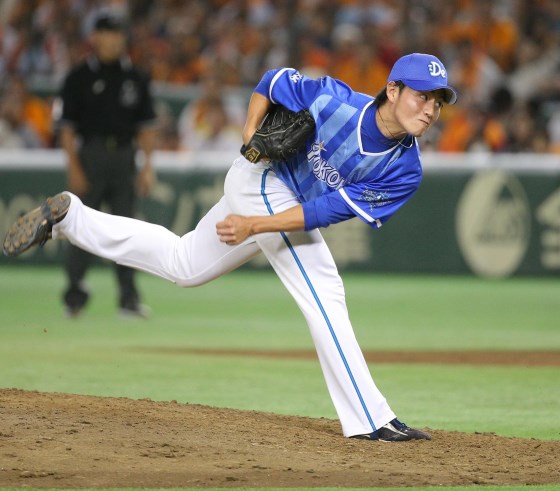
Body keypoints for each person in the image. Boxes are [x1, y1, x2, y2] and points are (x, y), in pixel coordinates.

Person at [4, 53, 457, 441]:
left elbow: (324, 212)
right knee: (323, 286)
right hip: (262, 177)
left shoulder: (405, 169)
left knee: (184, 265)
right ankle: (371, 419)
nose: (430, 109)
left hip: (278, 205)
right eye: (422, 96)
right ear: (392, 90)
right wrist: (249, 132)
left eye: (438, 101)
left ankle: (71, 219)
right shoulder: (333, 99)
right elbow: (273, 82)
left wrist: (254, 225)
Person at [55, 12, 158, 318]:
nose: (114, 39)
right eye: (108, 32)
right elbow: (67, 129)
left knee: (127, 229)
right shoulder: (78, 77)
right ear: (95, 37)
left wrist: (147, 165)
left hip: (125, 156)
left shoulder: (135, 77)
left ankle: (128, 298)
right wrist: (74, 166)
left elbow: (146, 127)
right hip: (92, 155)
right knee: (80, 226)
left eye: (118, 33)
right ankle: (74, 296)